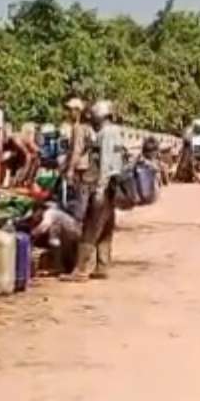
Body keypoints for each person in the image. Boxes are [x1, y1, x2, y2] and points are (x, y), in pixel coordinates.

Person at [72, 100, 123, 280]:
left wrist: (100, 188)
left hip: (103, 184)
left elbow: (105, 162)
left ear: (100, 115)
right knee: (106, 226)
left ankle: (81, 269)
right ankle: (102, 266)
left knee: (91, 227)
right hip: (113, 185)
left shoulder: (106, 134)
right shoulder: (116, 131)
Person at [25, 201, 84, 276]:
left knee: (53, 239)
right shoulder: (55, 212)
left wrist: (32, 234)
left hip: (73, 233)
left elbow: (44, 226)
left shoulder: (50, 213)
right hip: (71, 233)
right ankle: (59, 267)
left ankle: (58, 267)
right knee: (53, 237)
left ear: (39, 210)